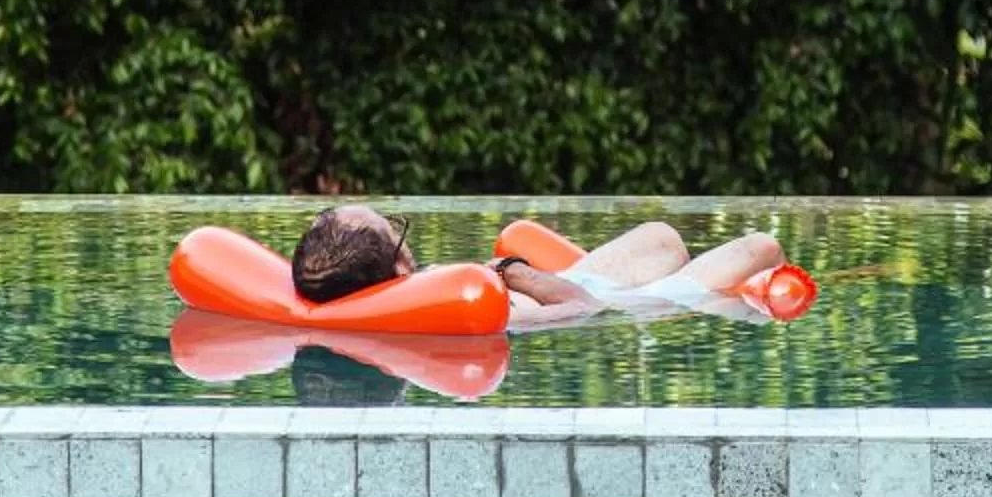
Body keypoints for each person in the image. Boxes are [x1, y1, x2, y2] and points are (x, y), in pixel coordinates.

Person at [290, 204, 788, 329]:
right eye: (396, 230)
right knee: (761, 248)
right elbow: (587, 309)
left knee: (661, 237)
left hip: (565, 282)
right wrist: (515, 272)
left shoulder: (406, 296)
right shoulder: (462, 311)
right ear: (396, 268)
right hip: (626, 305)